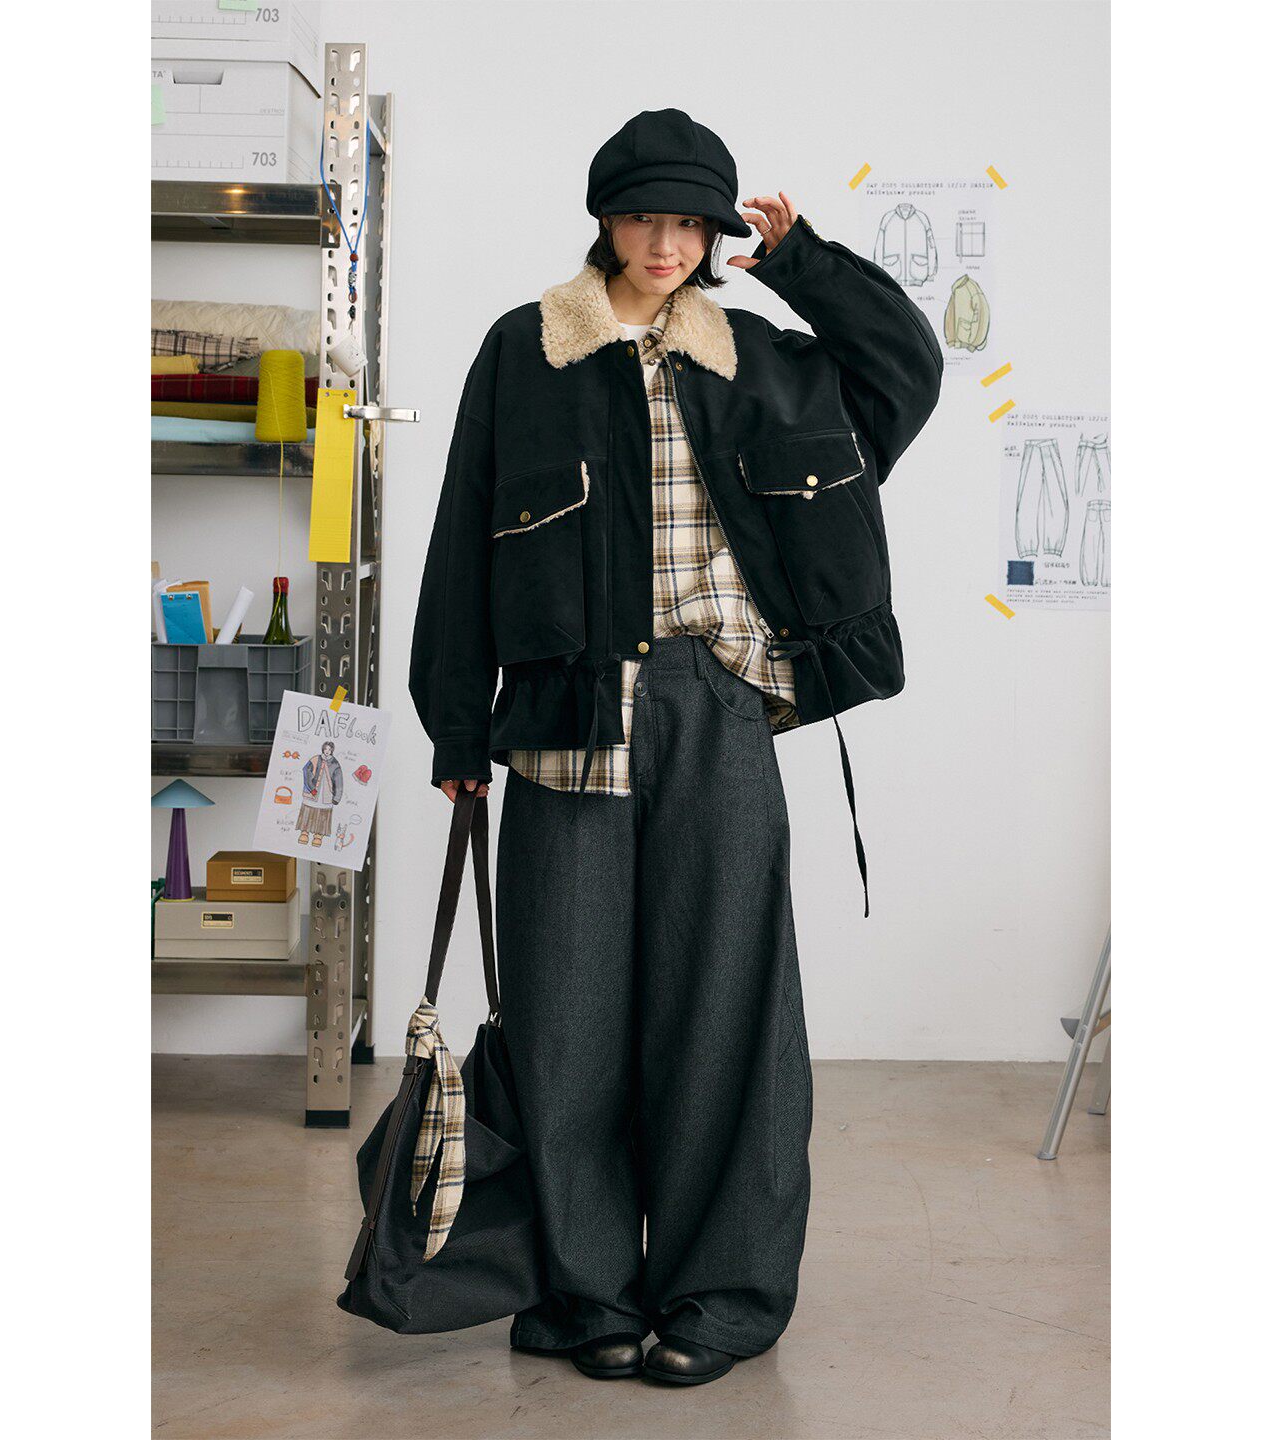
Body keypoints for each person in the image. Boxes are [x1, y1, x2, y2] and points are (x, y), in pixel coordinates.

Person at [409, 109, 943, 1386]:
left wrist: (806, 263)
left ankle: (723, 1292)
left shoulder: (755, 359)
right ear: (605, 218)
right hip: (565, 719)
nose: (665, 244)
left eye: (689, 224)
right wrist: (457, 724)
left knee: (726, 1018)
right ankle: (583, 1291)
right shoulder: (526, 350)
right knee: (567, 1020)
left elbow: (902, 373)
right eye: (645, 218)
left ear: (712, 234)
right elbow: (462, 538)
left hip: (717, 708)